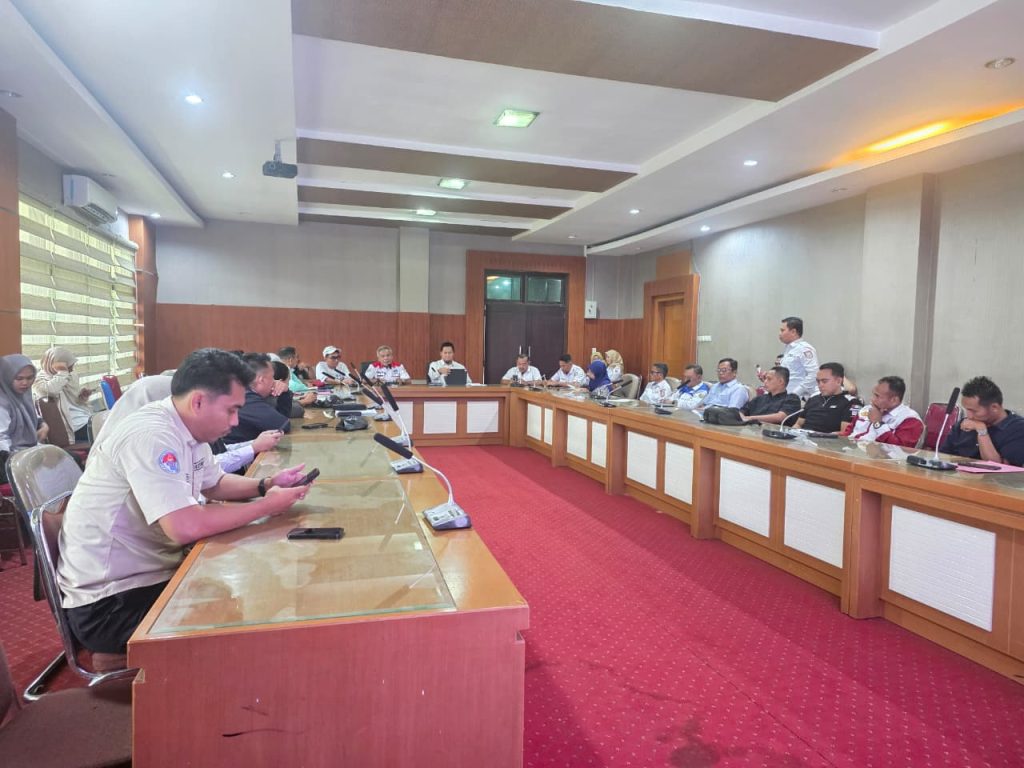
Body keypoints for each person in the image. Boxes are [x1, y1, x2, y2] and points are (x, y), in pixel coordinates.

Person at [57, 348, 311, 655]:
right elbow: (184, 526)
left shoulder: (187, 428)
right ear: (199, 401)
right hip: (111, 604)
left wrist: (266, 484)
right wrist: (267, 506)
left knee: (254, 589)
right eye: (231, 410)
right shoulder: (152, 435)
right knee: (254, 620)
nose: (235, 421)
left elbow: (214, 483)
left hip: (151, 575)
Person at [93, 375, 283, 473]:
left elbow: (207, 466)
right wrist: (252, 448)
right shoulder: (148, 439)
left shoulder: (181, 428)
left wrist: (263, 485)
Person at [940, 376, 1024, 466]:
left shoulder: (1018, 428)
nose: (969, 416)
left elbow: (999, 468)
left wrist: (982, 431)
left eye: (973, 411)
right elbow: (942, 457)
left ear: (994, 407)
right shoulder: (963, 424)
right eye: (967, 409)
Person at [225, 353, 293, 443]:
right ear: (261, 380)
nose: (275, 381)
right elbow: (283, 425)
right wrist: (285, 393)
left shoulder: (241, 391)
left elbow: (281, 420)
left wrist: (284, 393)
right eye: (272, 377)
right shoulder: (246, 399)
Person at [31, 347, 94, 443]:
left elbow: (74, 402)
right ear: (55, 364)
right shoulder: (39, 381)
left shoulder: (70, 374)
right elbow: (52, 391)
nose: (71, 369)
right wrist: (62, 372)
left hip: (84, 417)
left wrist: (82, 396)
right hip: (72, 426)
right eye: (69, 366)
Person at [843, 376, 923, 447]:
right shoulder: (867, 409)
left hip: (875, 457)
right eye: (873, 394)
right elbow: (847, 433)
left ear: (894, 400)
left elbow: (900, 449)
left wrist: (878, 424)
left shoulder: (910, 419)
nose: (872, 399)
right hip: (849, 450)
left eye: (877, 396)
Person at [1, 355, 47, 471]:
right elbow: (1, 439)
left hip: (30, 450)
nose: (25, 383)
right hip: (14, 458)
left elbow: (34, 415)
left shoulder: (23, 394)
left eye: (30, 378)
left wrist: (43, 425)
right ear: (7, 377)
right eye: (19, 378)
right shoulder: (2, 402)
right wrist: (12, 464)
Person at [797, 362, 861, 434]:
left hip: (827, 439)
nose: (820, 385)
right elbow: (798, 424)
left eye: (824, 381)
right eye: (818, 381)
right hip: (803, 437)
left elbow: (845, 432)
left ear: (838, 381)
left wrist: (820, 436)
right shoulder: (813, 398)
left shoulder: (851, 402)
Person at [778, 316, 819, 399]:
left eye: (782, 330)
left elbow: (813, 374)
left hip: (798, 397)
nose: (779, 333)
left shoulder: (804, 349)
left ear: (793, 332)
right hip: (786, 396)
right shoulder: (789, 349)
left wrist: (795, 394)